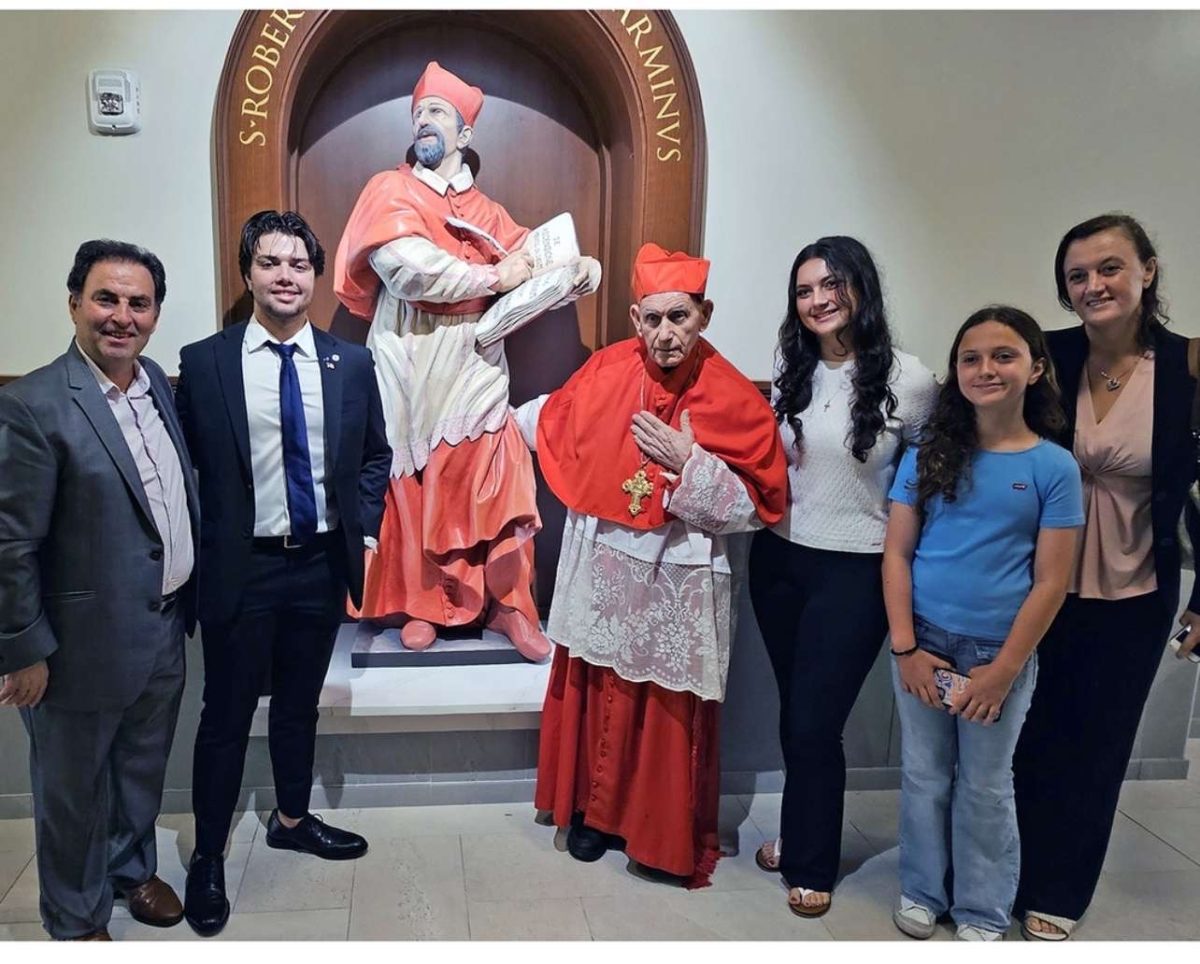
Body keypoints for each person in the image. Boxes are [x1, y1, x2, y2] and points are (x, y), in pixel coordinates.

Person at [517, 242, 789, 887]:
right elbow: (554, 427)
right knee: (598, 687)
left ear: (705, 314)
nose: (665, 334)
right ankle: (590, 814)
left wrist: (689, 464)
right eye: (652, 319)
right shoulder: (607, 369)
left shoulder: (728, 393)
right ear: (635, 317)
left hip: (679, 569)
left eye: (680, 318)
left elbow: (759, 505)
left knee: (663, 708)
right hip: (606, 561)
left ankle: (652, 832)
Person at [333, 60, 600, 660]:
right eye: (418, 112)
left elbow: (532, 248)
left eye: (436, 113)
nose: (423, 122)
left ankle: (510, 606)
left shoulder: (486, 210)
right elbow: (406, 268)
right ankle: (424, 604)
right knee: (414, 482)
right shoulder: (390, 189)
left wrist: (576, 267)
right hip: (407, 357)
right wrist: (495, 273)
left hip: (474, 357)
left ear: (465, 134)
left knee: (495, 470)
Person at [177, 211, 391, 937]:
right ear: (248, 274)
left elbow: (373, 456)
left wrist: (360, 527)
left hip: (319, 567)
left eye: (299, 264)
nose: (286, 276)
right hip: (243, 569)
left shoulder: (351, 363)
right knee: (226, 717)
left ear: (314, 275)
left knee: (301, 704)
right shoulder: (204, 362)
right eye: (270, 263)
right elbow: (187, 473)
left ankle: (292, 818)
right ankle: (208, 856)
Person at [0, 240, 197, 940]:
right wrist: (22, 651)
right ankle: (76, 917)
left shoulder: (157, 390)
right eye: (106, 299)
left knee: (140, 769)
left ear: (155, 315)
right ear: (75, 302)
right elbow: (9, 542)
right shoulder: (33, 404)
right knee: (73, 791)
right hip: (76, 647)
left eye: (137, 303)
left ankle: (130, 869)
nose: (121, 316)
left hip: (163, 626)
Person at [1013, 213, 1200, 941]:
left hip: (1136, 588)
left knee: (1097, 743)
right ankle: (1007, 870)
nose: (1094, 285)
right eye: (1078, 275)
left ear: (1148, 271)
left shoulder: (1187, 367)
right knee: (1028, 737)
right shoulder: (1046, 357)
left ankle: (1059, 889)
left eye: (1110, 268)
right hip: (1039, 585)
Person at [748, 236, 938, 917]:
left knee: (814, 720)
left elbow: (929, 490)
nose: (819, 300)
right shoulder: (789, 365)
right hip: (777, 560)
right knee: (795, 714)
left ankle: (811, 861)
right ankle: (801, 831)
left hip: (857, 572)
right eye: (804, 290)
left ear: (861, 288)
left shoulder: (911, 382)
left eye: (832, 284)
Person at [883, 305, 1083, 941]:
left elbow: (1052, 581)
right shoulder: (927, 454)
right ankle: (921, 890)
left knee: (987, 787)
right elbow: (897, 553)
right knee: (923, 775)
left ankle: (981, 909)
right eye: (970, 358)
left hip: (999, 655)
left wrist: (1002, 671)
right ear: (954, 372)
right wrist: (906, 648)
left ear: (1035, 369)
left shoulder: (1053, 467)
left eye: (1004, 356)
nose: (986, 369)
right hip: (925, 644)